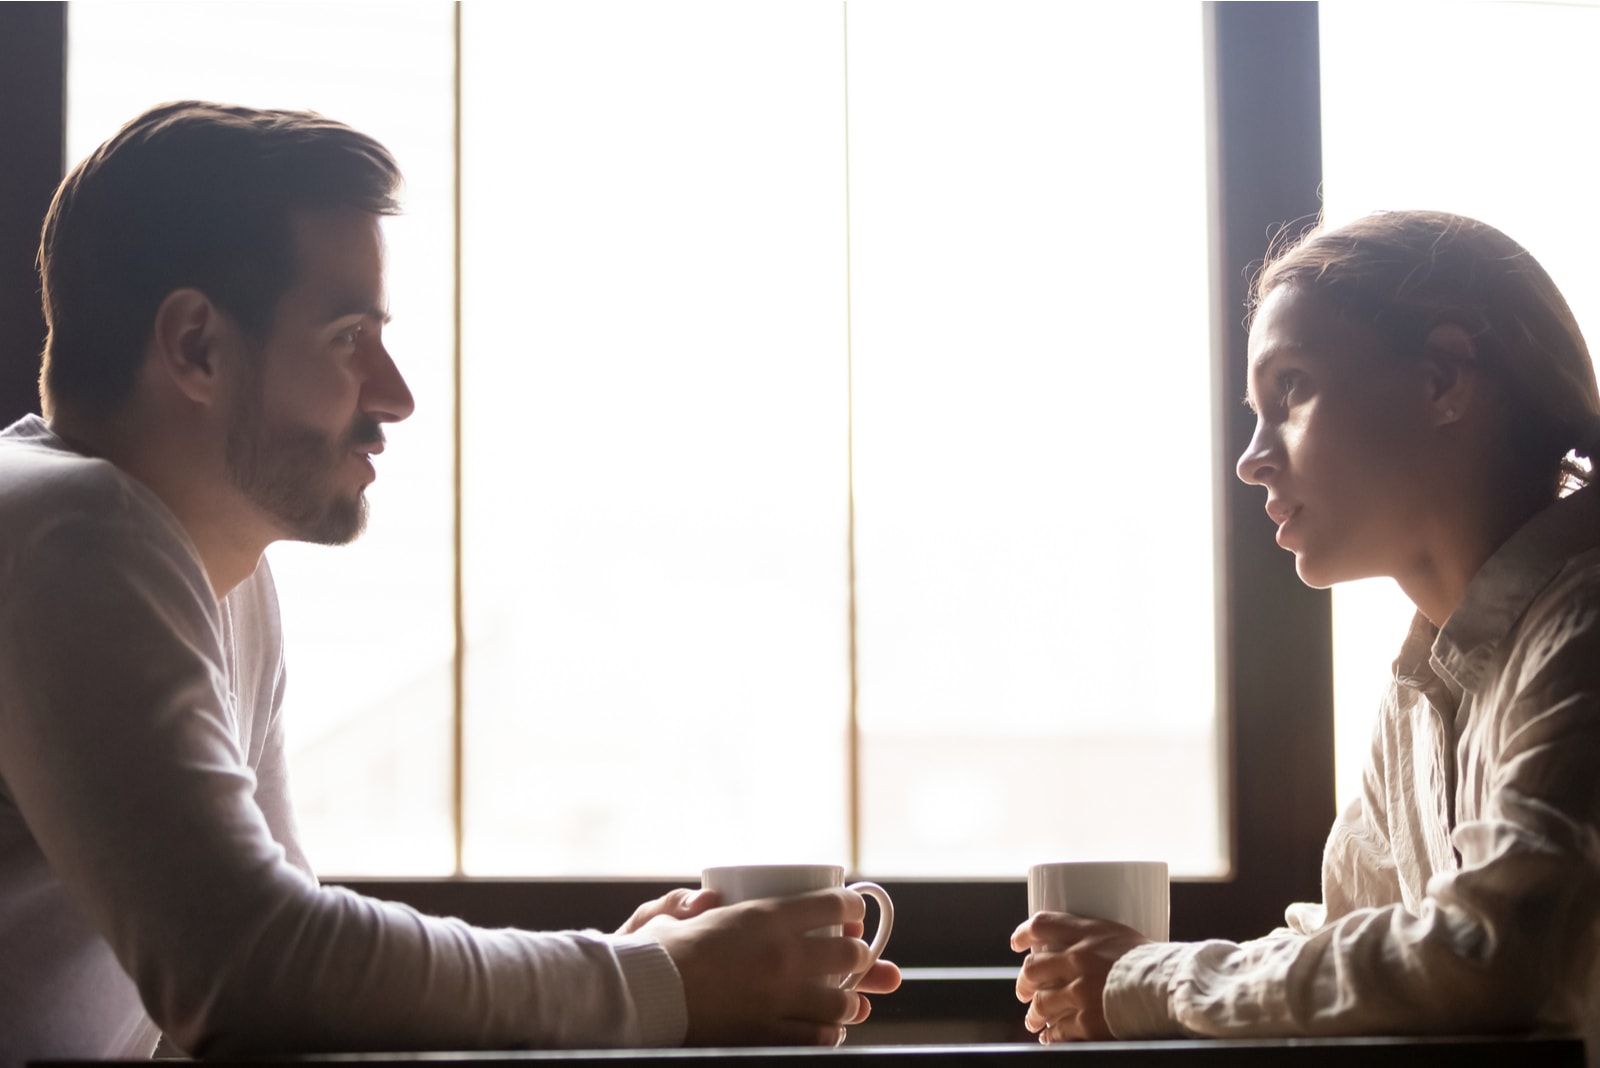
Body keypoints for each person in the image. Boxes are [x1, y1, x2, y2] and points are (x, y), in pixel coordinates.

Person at [0, 100, 898, 1063]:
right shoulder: (71, 531)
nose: (394, 394)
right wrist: (661, 982)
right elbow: (252, 967)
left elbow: (281, 1003)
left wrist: (642, 966)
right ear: (197, 348)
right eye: (349, 338)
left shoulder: (215, 574)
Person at [1012, 209, 1600, 1054]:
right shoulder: (1422, 689)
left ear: (1442, 379)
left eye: (1290, 388)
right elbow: (1345, 944)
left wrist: (1147, 979)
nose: (1251, 458)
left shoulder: (1581, 631)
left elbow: (1495, 953)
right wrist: (1127, 977)